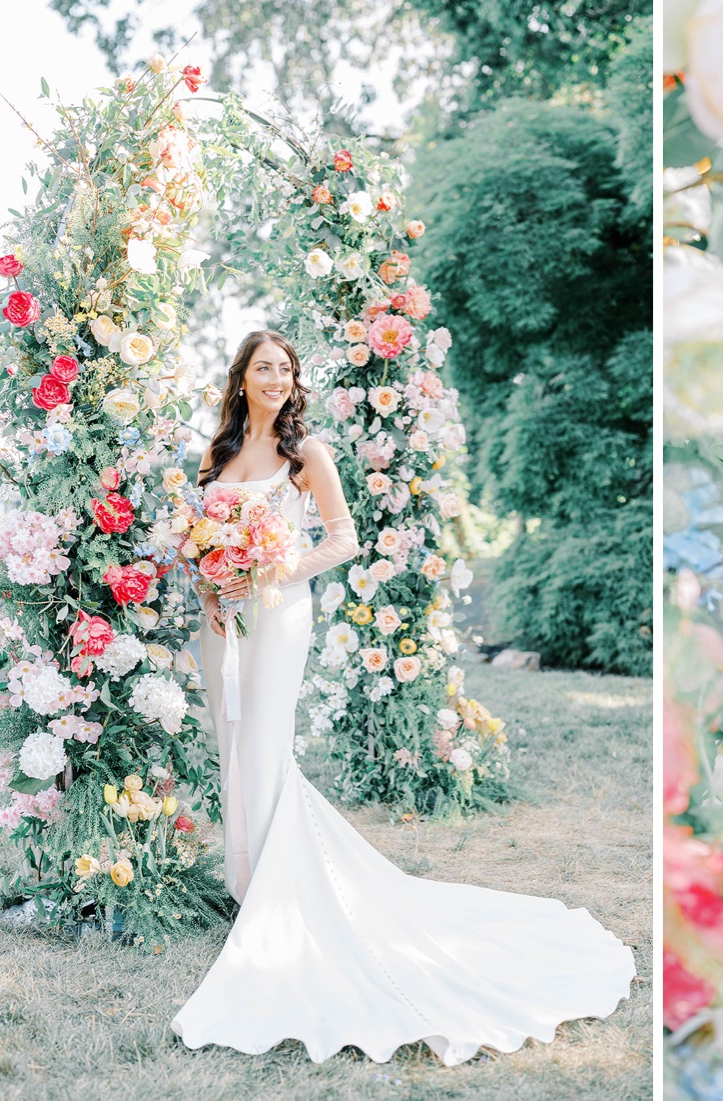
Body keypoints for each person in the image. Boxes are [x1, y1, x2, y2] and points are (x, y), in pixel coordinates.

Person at [170, 329, 635, 1064]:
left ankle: (273, 899)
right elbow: (197, 537)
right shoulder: (216, 456)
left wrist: (268, 572)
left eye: (286, 369)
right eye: (264, 367)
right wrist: (210, 579)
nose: (276, 378)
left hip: (277, 612)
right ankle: (243, 878)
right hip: (220, 619)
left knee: (263, 741)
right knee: (228, 740)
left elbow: (343, 538)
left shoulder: (306, 454)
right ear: (240, 377)